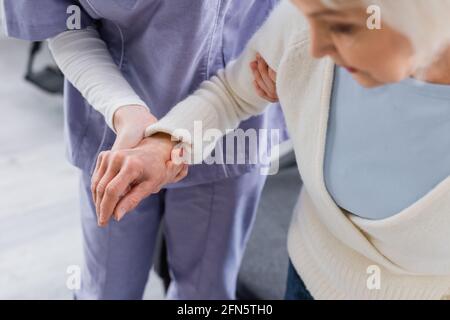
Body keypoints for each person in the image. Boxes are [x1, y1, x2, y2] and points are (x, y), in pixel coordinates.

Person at [92, 0, 450, 299]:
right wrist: (164, 143)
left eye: (341, 29)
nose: (315, 48)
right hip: (311, 275)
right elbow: (231, 93)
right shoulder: (312, 21)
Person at [3, 0, 287, 299]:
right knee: (108, 289)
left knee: (205, 293)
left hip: (230, 130)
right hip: (117, 130)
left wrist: (288, 59)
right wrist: (124, 111)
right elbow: (65, 24)